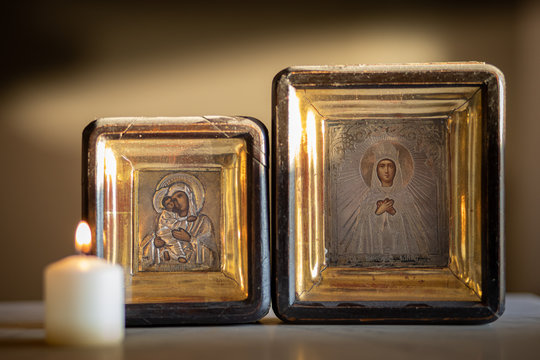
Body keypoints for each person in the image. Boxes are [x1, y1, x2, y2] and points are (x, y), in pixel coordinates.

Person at [344, 142, 432, 258]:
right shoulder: (370, 199)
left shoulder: (404, 196)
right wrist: (377, 213)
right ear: (376, 169)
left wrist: (394, 213)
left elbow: (413, 229)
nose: (386, 170)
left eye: (390, 166)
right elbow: (363, 229)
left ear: (396, 169)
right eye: (382, 166)